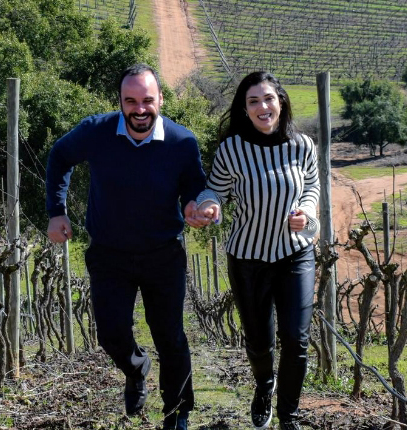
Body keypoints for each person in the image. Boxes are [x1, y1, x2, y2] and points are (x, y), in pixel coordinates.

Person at [45, 64, 206, 430]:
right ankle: (136, 370)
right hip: (109, 253)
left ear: (160, 99)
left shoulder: (182, 143)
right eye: (130, 100)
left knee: (170, 336)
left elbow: (194, 187)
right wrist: (57, 211)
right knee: (111, 334)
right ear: (119, 101)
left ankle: (177, 412)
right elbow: (59, 157)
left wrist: (195, 206)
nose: (139, 109)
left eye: (147, 100)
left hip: (163, 253)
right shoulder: (96, 131)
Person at [193, 71, 319, 430]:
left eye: (268, 99)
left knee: (296, 339)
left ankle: (288, 417)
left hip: (295, 254)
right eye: (253, 102)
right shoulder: (232, 149)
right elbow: (213, 190)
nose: (262, 107)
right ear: (245, 109)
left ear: (280, 101)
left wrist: (307, 213)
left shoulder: (303, 145)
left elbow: (311, 188)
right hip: (247, 258)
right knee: (259, 340)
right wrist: (210, 205)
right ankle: (264, 385)